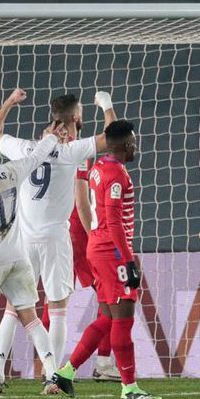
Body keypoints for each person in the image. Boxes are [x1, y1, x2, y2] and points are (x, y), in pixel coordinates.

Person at [0, 89, 118, 389]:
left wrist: (8, 103)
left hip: (22, 240)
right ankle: (53, 378)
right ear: (75, 118)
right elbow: (114, 136)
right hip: (55, 239)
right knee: (58, 310)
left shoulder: (27, 148)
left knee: (12, 308)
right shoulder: (73, 152)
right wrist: (106, 105)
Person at [52, 120, 161, 399]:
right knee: (123, 319)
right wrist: (128, 260)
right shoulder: (116, 176)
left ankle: (66, 372)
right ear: (125, 145)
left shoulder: (99, 168)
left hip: (97, 249)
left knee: (106, 318)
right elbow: (113, 221)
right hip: (112, 252)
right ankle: (130, 388)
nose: (135, 144)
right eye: (133, 141)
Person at [0, 128, 62, 394]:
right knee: (31, 319)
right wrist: (51, 137)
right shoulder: (11, 170)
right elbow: (37, 156)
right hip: (18, 255)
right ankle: (52, 376)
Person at [71, 158, 120, 383]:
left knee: (53, 303)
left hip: (57, 234)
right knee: (112, 301)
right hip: (81, 237)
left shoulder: (47, 154)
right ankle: (100, 363)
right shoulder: (81, 157)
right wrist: (95, 240)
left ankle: (102, 363)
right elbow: (81, 203)